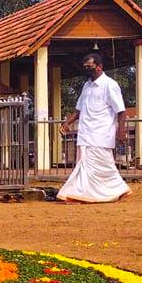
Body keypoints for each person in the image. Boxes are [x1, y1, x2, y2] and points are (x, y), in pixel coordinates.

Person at [56, 54, 131, 203]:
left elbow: (121, 111)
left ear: (99, 67)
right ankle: (82, 194)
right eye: (84, 68)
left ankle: (118, 189)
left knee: (104, 167)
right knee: (84, 166)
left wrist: (121, 131)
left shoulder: (110, 85)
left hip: (101, 134)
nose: (86, 70)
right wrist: (67, 122)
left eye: (89, 67)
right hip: (85, 134)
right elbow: (78, 110)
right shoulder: (87, 86)